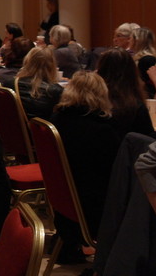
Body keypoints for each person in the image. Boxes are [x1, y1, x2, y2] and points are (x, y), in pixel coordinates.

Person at [49, 71, 121, 265]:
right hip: (93, 207)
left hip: (63, 200)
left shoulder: (55, 121)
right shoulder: (102, 131)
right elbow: (116, 173)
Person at [97, 47, 152, 136]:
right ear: (132, 72)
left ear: (100, 69)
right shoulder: (135, 107)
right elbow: (148, 139)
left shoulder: (90, 101)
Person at [12, 46, 63, 120]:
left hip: (15, 126)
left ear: (27, 62)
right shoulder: (56, 91)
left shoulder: (11, 83)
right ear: (52, 65)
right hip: (42, 127)